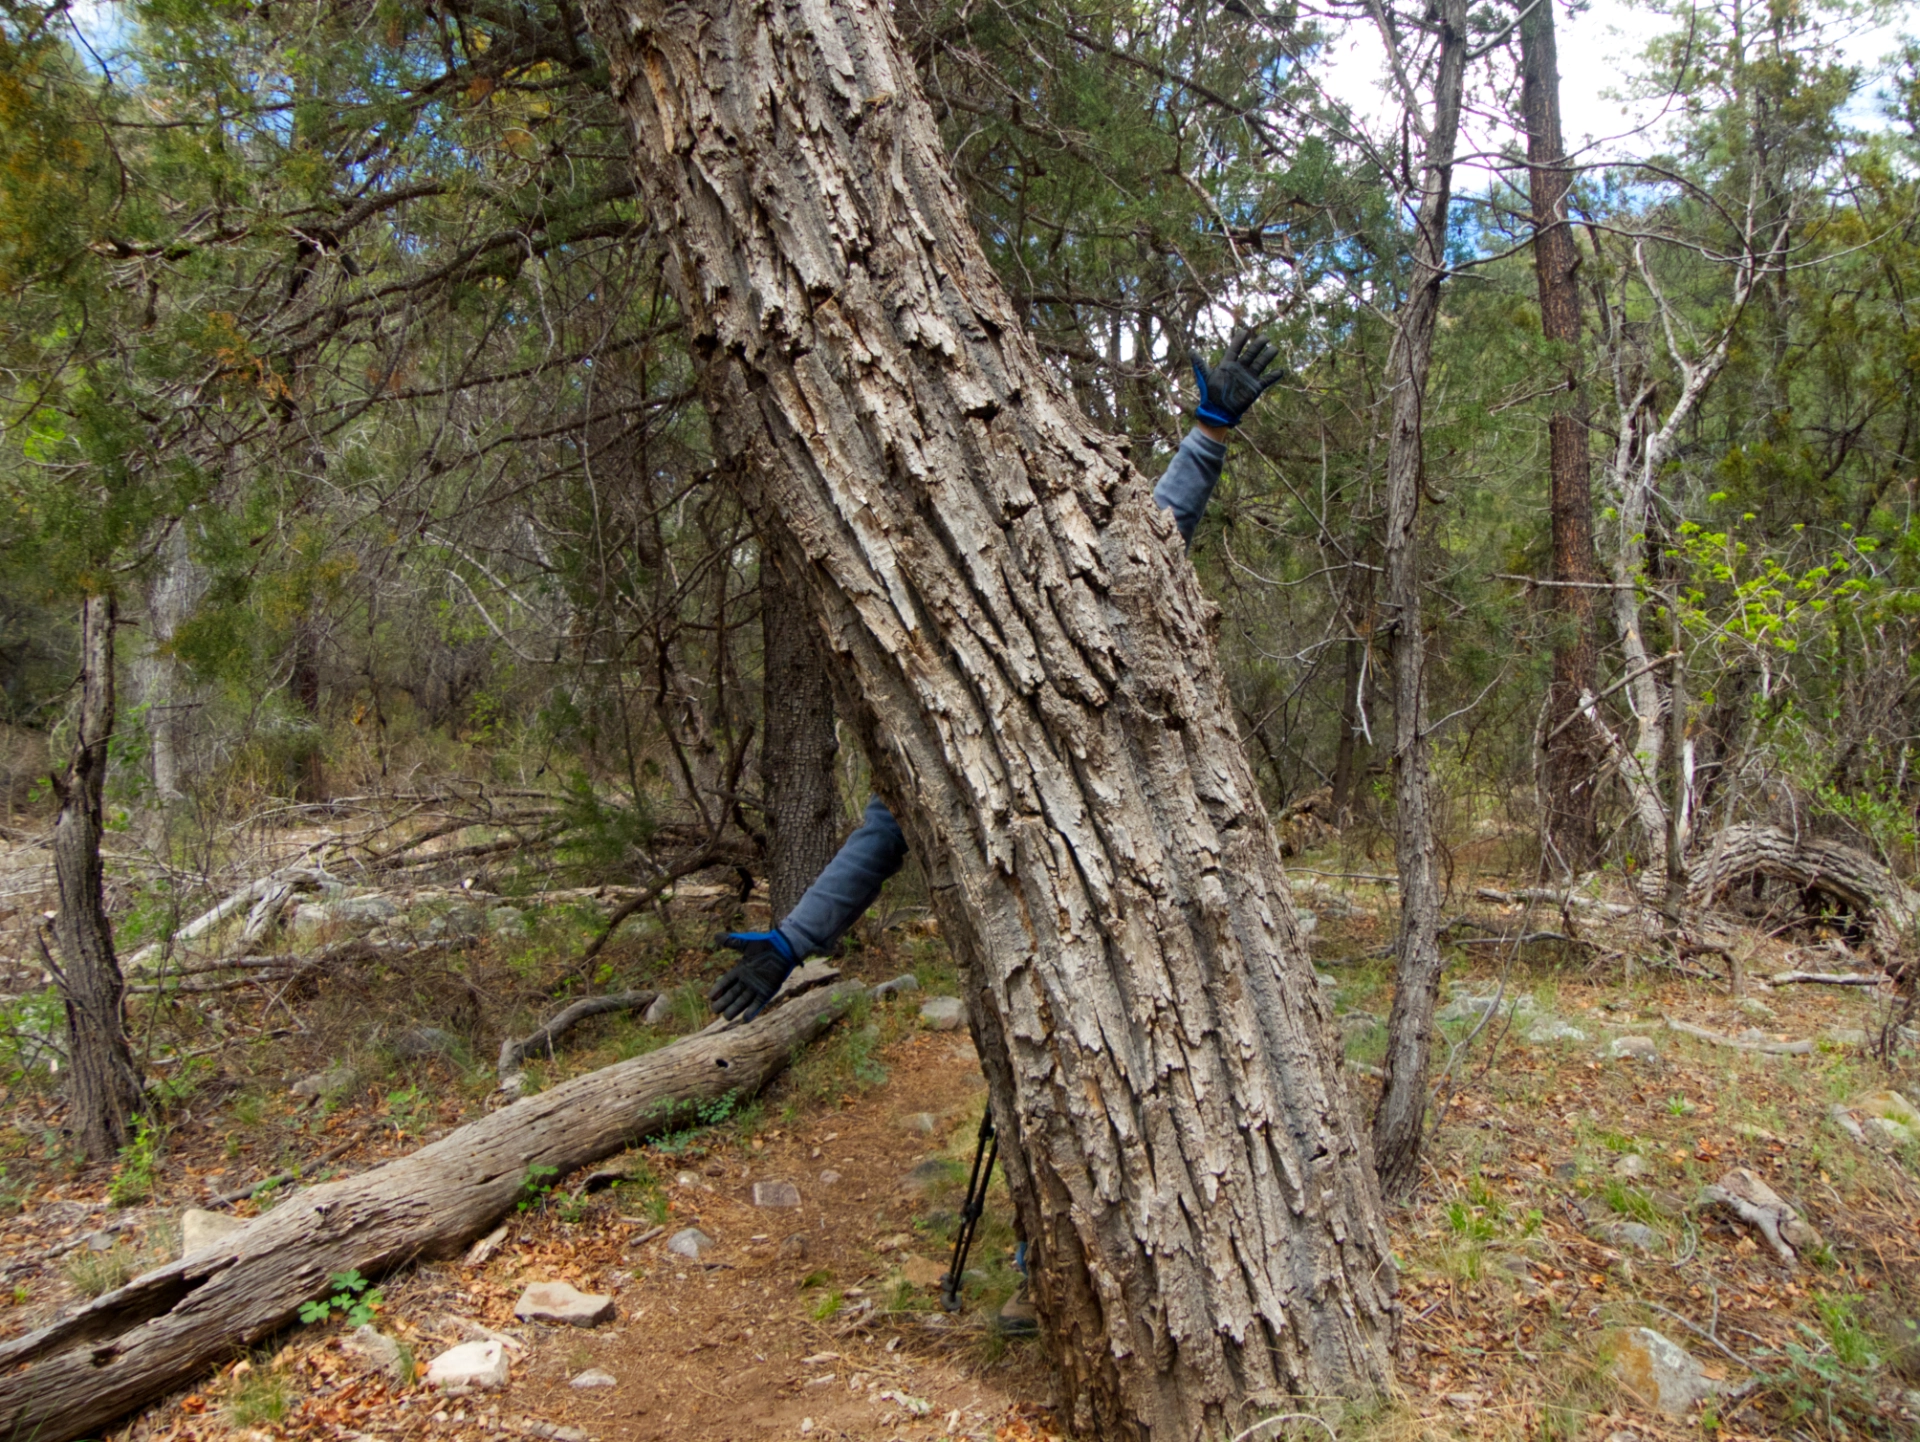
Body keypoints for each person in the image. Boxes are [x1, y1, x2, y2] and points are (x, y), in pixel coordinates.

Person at [706, 327, 1288, 1328]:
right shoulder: (937, 693)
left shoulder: (1073, 600)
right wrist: (795, 939)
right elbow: (885, 830)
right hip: (1033, 937)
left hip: (1137, 907)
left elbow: (1153, 543)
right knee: (1053, 1098)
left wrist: (1207, 436)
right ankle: (1047, 1270)